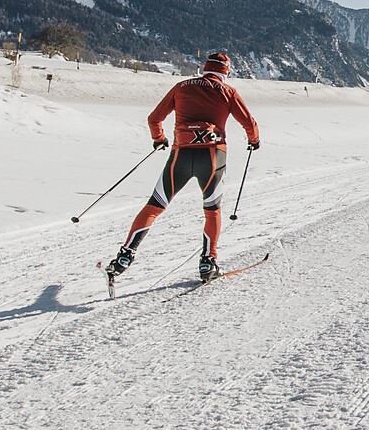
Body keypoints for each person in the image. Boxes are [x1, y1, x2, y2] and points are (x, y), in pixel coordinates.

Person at [105, 51, 260, 283]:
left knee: (154, 206)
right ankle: (208, 261)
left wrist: (159, 139)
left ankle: (125, 255)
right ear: (226, 71)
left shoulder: (182, 86)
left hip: (181, 156)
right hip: (213, 156)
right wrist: (254, 140)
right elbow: (249, 122)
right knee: (212, 210)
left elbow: (154, 118)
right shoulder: (229, 92)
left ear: (205, 67)